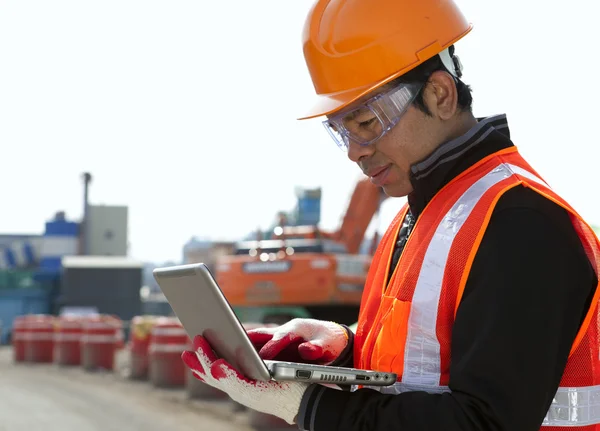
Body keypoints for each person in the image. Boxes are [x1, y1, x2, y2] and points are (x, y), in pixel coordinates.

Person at [181, 0, 600, 430]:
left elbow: (482, 422)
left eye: (366, 122)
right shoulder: (418, 216)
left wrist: (307, 406)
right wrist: (344, 343)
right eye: (341, 129)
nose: (354, 151)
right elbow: (420, 365)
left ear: (440, 94)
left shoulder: (521, 223)